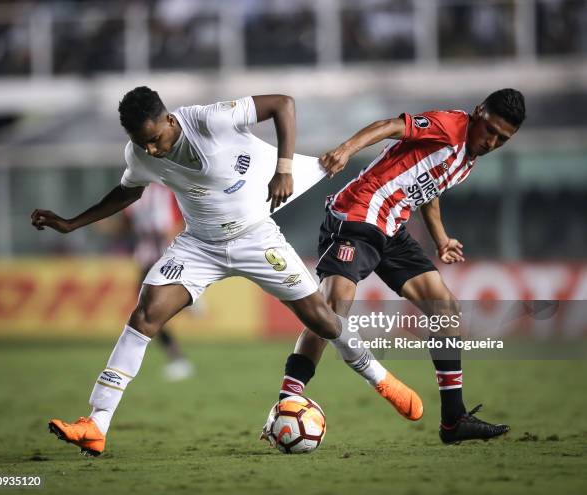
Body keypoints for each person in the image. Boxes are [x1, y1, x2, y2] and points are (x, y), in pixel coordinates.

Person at [31, 87, 422, 456]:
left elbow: (282, 104)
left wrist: (284, 167)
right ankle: (97, 423)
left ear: (168, 121)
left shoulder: (206, 121)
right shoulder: (140, 153)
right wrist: (72, 223)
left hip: (257, 239)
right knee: (144, 315)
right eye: (140, 142)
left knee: (323, 319)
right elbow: (128, 191)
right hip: (199, 246)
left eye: (154, 138)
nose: (150, 148)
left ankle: (381, 380)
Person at [273, 88, 526, 444]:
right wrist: (346, 150)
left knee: (444, 307)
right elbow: (390, 126)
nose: (493, 142)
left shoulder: (467, 157)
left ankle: (454, 419)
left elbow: (429, 187)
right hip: (358, 215)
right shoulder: (451, 125)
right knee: (331, 311)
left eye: (503, 138)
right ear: (479, 112)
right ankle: (288, 399)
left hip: (391, 227)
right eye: (491, 130)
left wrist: (440, 239)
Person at [123, 183, 194, 381]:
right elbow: (128, 221)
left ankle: (178, 358)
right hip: (147, 259)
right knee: (148, 313)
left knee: (148, 312)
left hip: (163, 258)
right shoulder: (139, 191)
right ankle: (188, 300)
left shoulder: (166, 191)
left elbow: (177, 223)